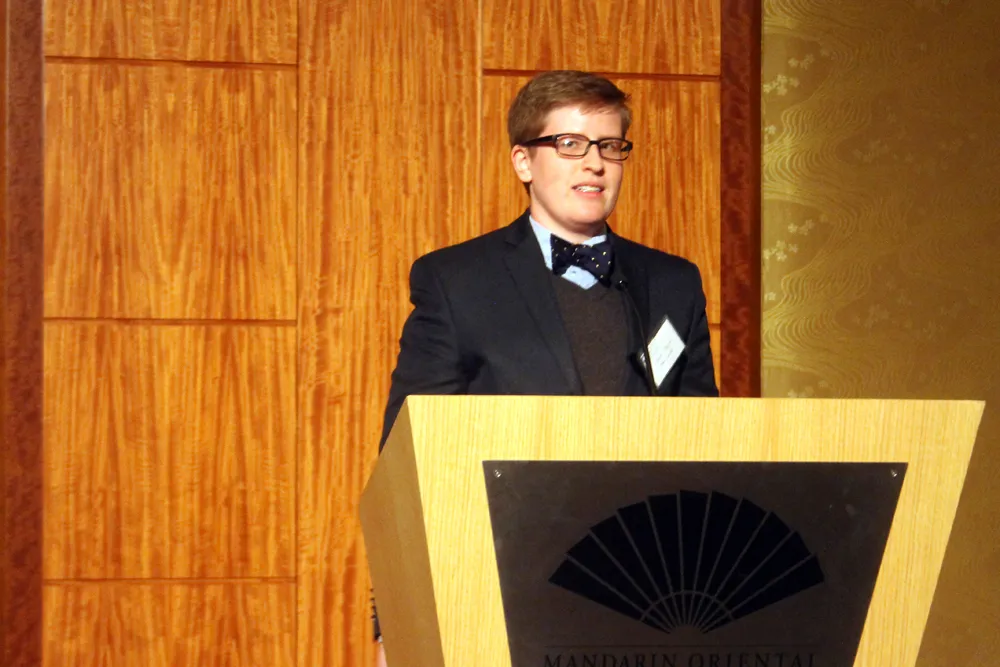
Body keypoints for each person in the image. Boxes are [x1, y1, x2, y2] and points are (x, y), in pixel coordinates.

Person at [373, 69, 718, 663]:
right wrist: (395, 621)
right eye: (570, 144)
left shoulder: (674, 283)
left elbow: (709, 446)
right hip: (497, 587)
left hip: (652, 595)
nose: (595, 164)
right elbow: (405, 461)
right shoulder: (456, 281)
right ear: (523, 161)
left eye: (610, 146)